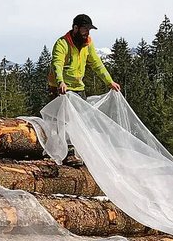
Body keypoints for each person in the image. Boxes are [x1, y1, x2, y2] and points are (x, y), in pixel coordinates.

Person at [48, 14, 120, 167]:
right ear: (75, 28)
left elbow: (97, 64)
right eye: (85, 29)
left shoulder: (88, 43)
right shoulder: (62, 43)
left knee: (80, 120)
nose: (87, 32)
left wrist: (110, 82)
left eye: (89, 29)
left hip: (78, 87)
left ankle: (80, 151)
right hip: (62, 88)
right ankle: (68, 152)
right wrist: (60, 82)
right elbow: (57, 64)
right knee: (65, 120)